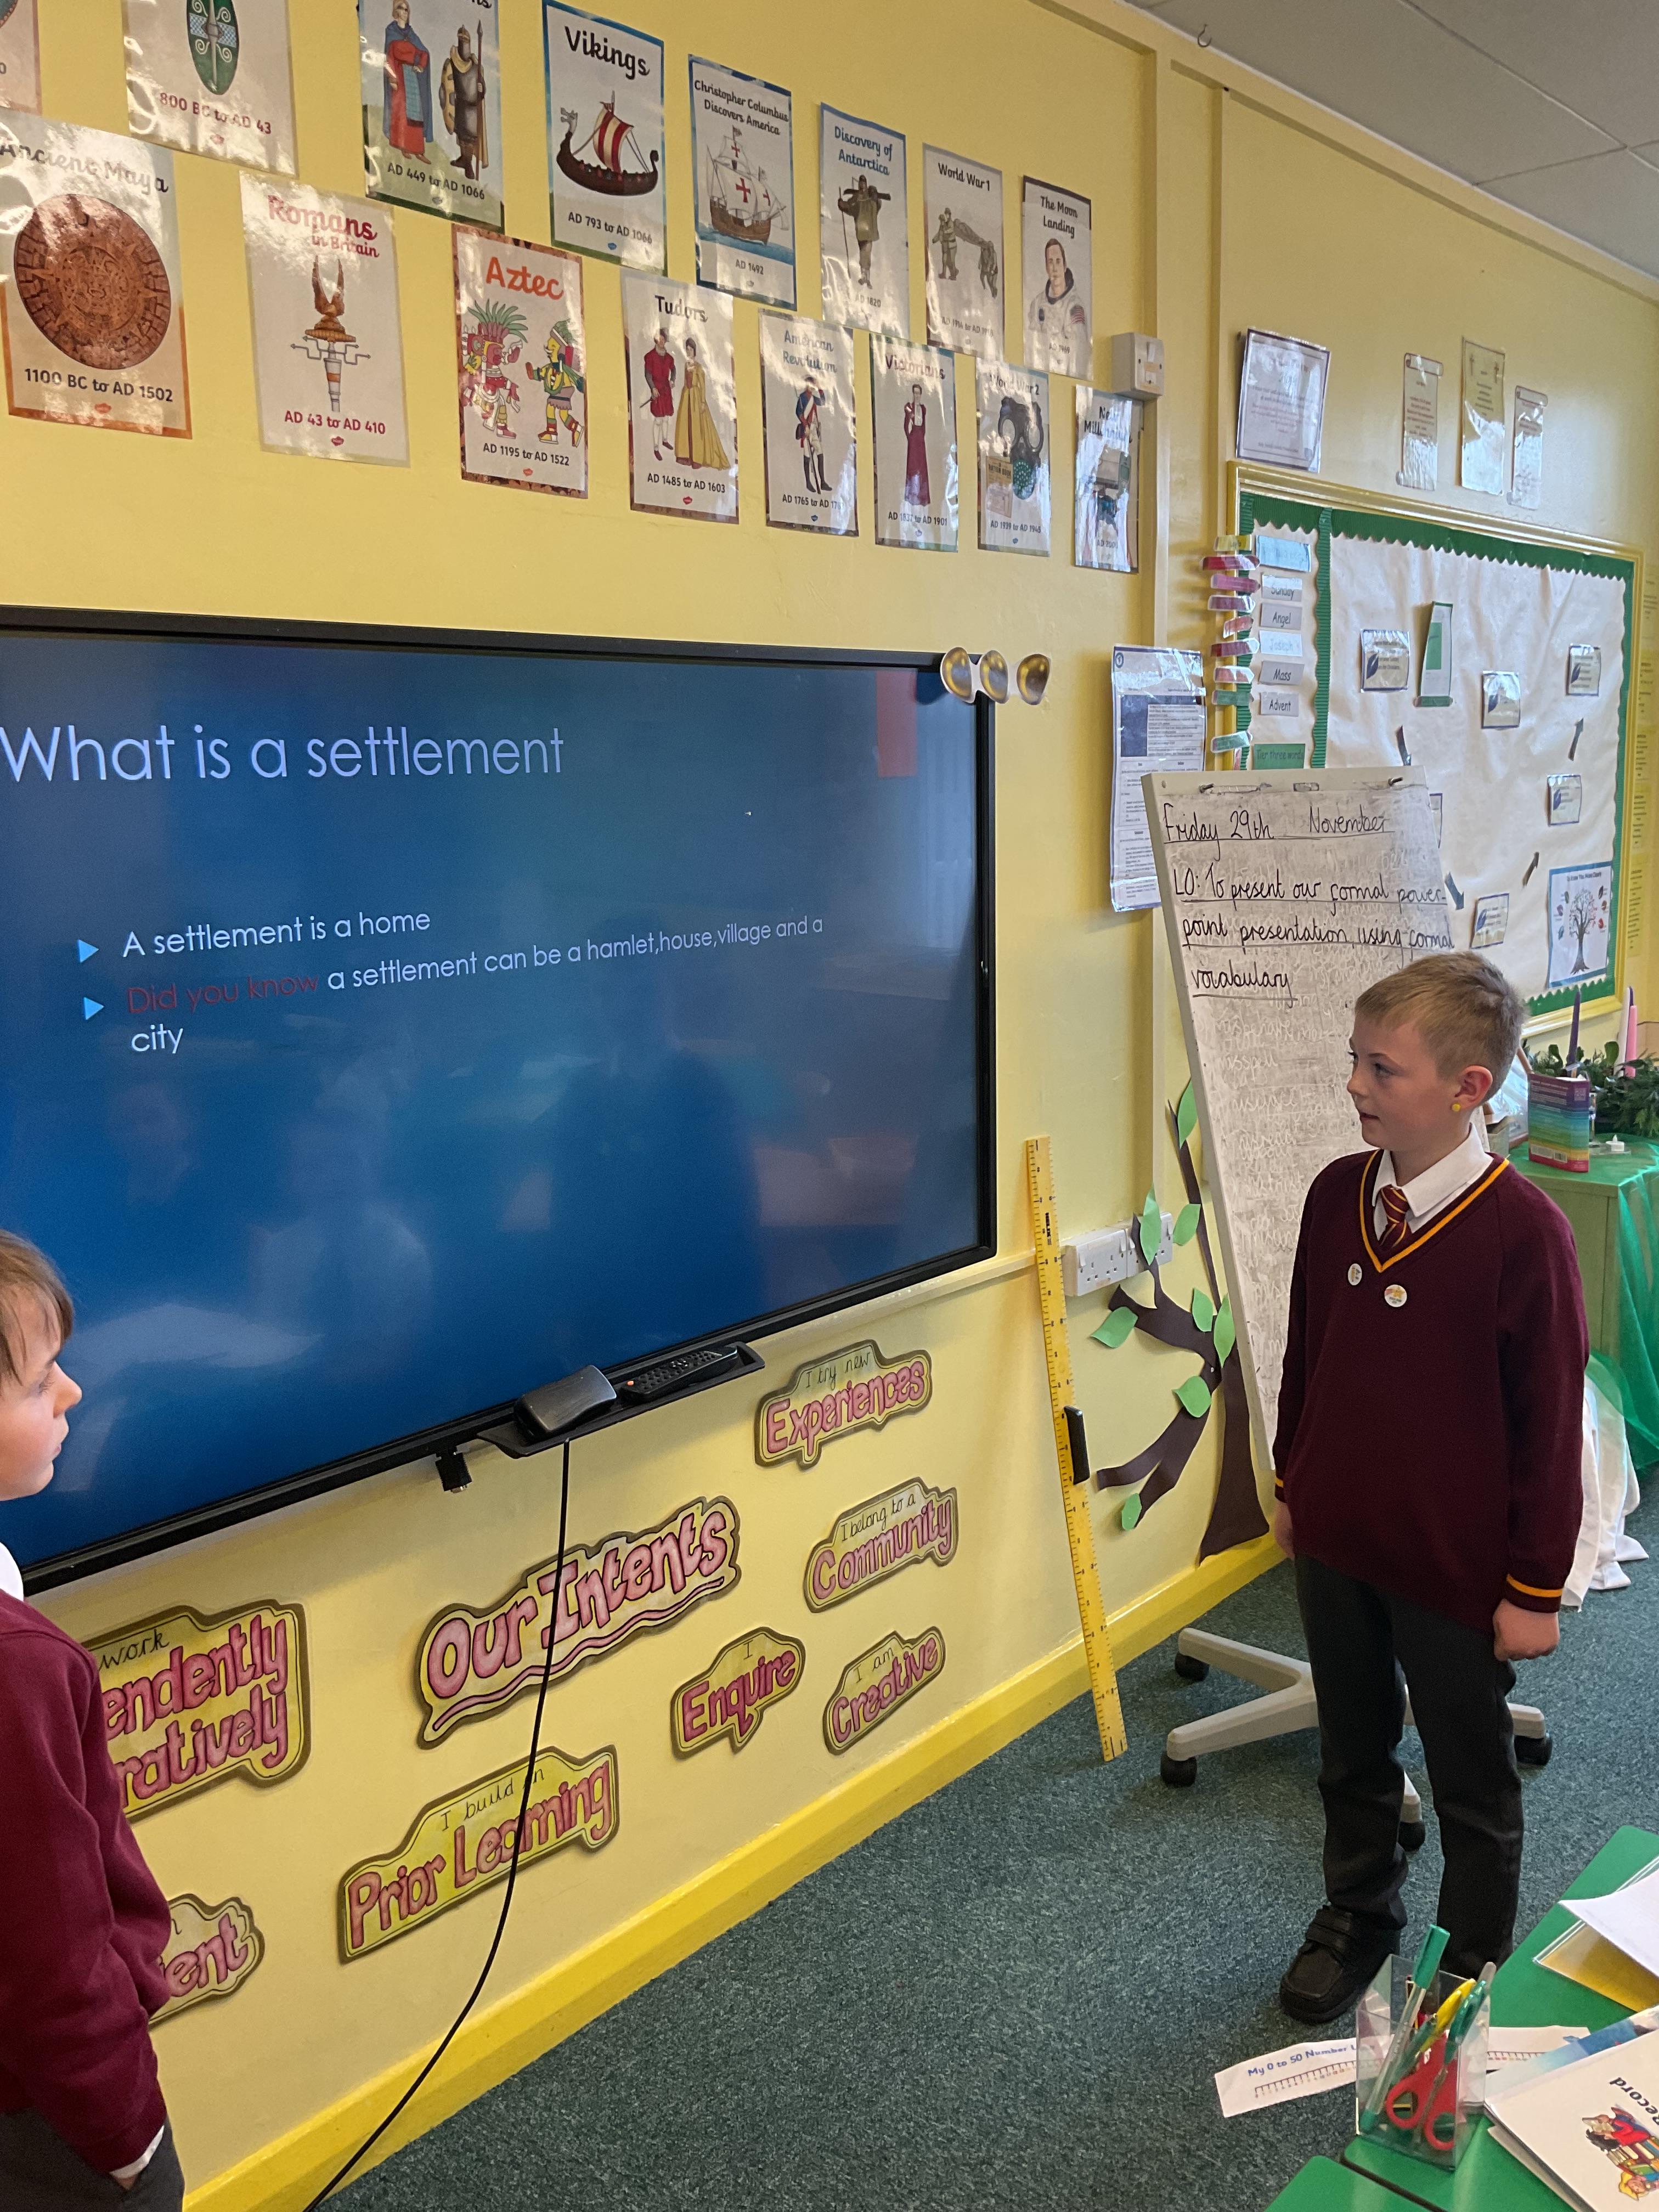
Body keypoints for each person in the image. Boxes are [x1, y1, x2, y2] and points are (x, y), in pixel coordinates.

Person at [1273, 953, 1587, 2022]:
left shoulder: (1524, 1233)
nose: (1354, 1085)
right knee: (1350, 1747)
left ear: (1467, 1089)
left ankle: (1465, 1959)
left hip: (1453, 1568)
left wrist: (1532, 1588)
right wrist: (1292, 1478)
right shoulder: (1334, 1195)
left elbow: (1548, 1426)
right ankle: (1357, 1913)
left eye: (1381, 1069)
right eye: (1354, 1061)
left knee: (1469, 1777)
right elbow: (1304, 1351)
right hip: (1338, 1540)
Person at [0, 1232, 182, 2208]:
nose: (72, 1392)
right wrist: (128, 2140)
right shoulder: (17, 1670)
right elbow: (53, 1955)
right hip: (48, 2118)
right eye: (39, 1383)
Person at [1025, 234, 1089, 378]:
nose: (1055, 268)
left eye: (1058, 262)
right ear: (1046, 267)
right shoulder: (1037, 304)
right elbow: (1031, 349)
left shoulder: (1075, 307)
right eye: (1051, 262)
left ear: (1065, 266)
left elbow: (1079, 356)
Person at [380, 1, 434, 166]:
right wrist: (392, 79)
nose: (404, 12)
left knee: (416, 113)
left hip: (412, 76)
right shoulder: (391, 32)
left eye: (406, 9)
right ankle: (403, 145)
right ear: (395, 11)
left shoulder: (411, 34)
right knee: (401, 111)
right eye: (401, 9)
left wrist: (421, 66)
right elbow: (389, 58)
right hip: (399, 75)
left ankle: (419, 150)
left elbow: (424, 53)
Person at [674, 337, 729, 471]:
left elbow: (702, 385)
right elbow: (685, 381)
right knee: (685, 424)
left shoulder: (699, 367)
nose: (689, 352)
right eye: (687, 350)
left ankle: (697, 458)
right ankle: (686, 455)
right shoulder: (686, 365)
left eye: (691, 350)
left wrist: (703, 402)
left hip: (695, 397)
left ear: (695, 351)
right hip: (686, 396)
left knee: (697, 427)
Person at [641, 325, 676, 462]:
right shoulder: (650, 357)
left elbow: (673, 369)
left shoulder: (669, 358)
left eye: (663, 339)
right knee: (658, 420)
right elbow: (648, 374)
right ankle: (656, 448)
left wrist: (672, 380)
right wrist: (653, 388)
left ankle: (665, 441)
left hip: (666, 390)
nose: (661, 341)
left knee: (666, 418)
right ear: (656, 340)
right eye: (659, 339)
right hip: (657, 391)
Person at [902, 382, 930, 509]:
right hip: (914, 438)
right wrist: (910, 437)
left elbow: (924, 426)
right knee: (913, 465)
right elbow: (906, 423)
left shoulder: (923, 409)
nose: (917, 395)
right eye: (915, 393)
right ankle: (912, 495)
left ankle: (922, 496)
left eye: (919, 393)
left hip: (920, 439)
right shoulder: (909, 407)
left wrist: (922, 436)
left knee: (922, 466)